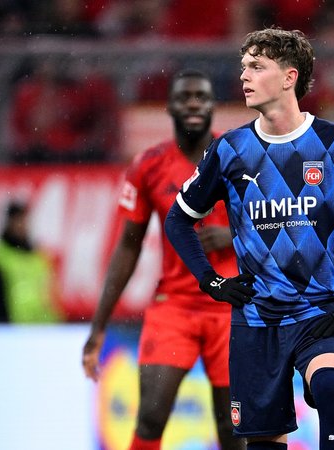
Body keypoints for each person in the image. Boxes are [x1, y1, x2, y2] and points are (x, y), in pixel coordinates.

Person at [164, 28, 334, 450]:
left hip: (322, 312)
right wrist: (211, 281)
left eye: (257, 67)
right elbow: (178, 220)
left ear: (290, 77)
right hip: (257, 320)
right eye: (243, 67)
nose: (244, 76)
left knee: (331, 388)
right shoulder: (230, 150)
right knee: (263, 443)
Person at [82, 69, 245, 450]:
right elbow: (128, 247)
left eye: (201, 97)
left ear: (212, 108)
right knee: (152, 414)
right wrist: (99, 325)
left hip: (232, 309)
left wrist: (233, 237)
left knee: (232, 430)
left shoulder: (242, 159)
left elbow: (279, 225)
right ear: (170, 106)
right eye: (185, 97)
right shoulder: (149, 165)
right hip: (174, 306)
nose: (193, 104)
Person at [0, 201, 61, 323]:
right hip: (13, 332)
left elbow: (52, 297)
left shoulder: (40, 258)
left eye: (24, 221)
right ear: (8, 223)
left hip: (44, 330)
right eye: (17, 221)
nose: (22, 225)